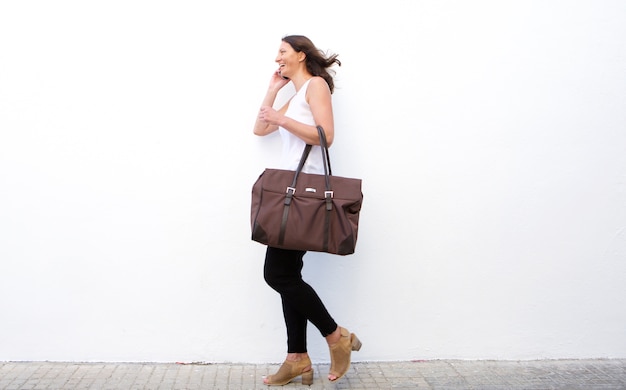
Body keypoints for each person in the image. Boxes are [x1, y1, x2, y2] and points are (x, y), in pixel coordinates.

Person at [253, 35, 362, 386]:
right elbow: (260, 128)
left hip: (306, 195)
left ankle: (335, 336)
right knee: (287, 275)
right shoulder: (295, 95)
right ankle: (296, 357)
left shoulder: (316, 86)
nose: (277, 58)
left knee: (278, 275)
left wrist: (283, 121)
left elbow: (325, 135)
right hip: (291, 194)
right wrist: (272, 92)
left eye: (283, 52)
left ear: (301, 55)